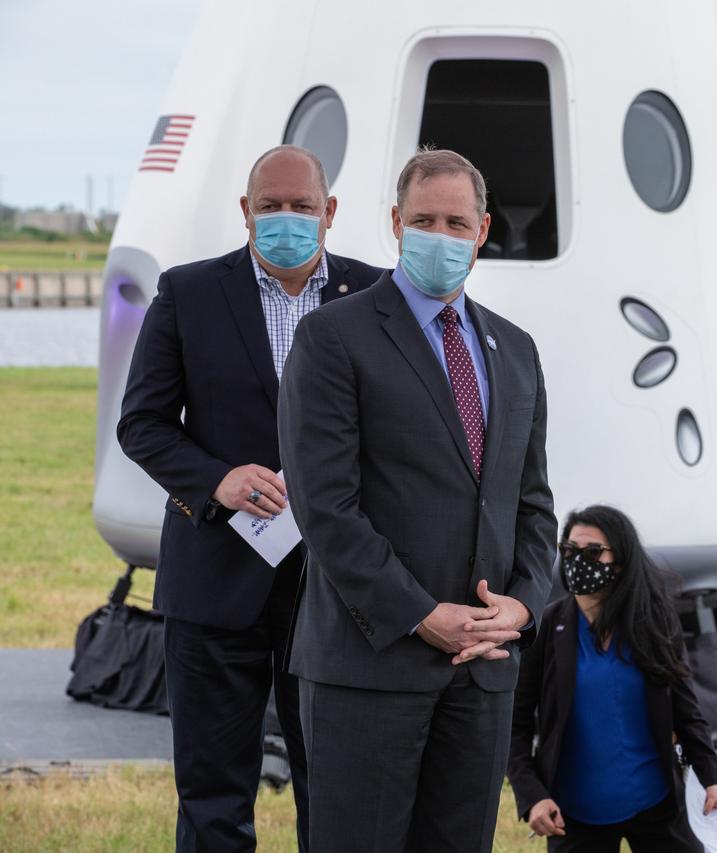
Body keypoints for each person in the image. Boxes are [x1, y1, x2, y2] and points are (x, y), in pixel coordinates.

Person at [277, 147, 557, 853]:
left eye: (456, 221)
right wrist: (421, 614)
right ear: (396, 223)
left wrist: (521, 605)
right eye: (424, 219)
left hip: (482, 674)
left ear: (483, 229)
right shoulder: (333, 337)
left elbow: (532, 502)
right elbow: (326, 508)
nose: (442, 233)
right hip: (370, 669)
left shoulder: (515, 349)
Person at [117, 144, 382, 851]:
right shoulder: (189, 292)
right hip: (214, 578)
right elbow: (140, 423)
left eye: (302, 206)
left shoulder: (376, 296)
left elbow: (402, 432)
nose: (286, 219)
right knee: (212, 800)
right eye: (271, 206)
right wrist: (217, 479)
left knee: (335, 794)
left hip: (336, 592)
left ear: (330, 213)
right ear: (245, 212)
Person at [508, 505, 717, 853]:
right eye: (570, 551)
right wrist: (532, 796)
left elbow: (687, 711)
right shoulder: (547, 627)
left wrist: (711, 777)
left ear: (621, 560)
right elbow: (514, 725)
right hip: (574, 815)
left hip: (657, 806)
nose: (578, 560)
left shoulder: (654, 622)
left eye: (593, 552)